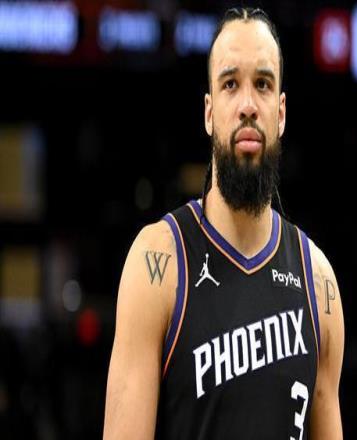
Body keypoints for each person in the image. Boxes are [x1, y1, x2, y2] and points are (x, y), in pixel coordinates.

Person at [103, 7, 344, 440]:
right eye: (231, 84)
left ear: (281, 113)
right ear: (209, 112)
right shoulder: (159, 262)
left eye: (263, 84)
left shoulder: (319, 282)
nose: (248, 105)